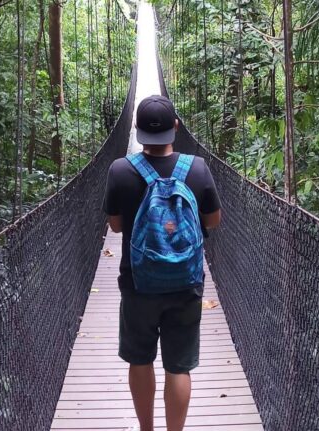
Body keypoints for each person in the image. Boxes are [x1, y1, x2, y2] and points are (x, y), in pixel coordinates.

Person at [102, 95, 221, 431]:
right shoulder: (197, 168)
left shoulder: (120, 170)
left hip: (138, 283)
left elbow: (115, 226)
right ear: (176, 127)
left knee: (140, 359)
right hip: (186, 283)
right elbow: (213, 220)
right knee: (178, 367)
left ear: (136, 128)